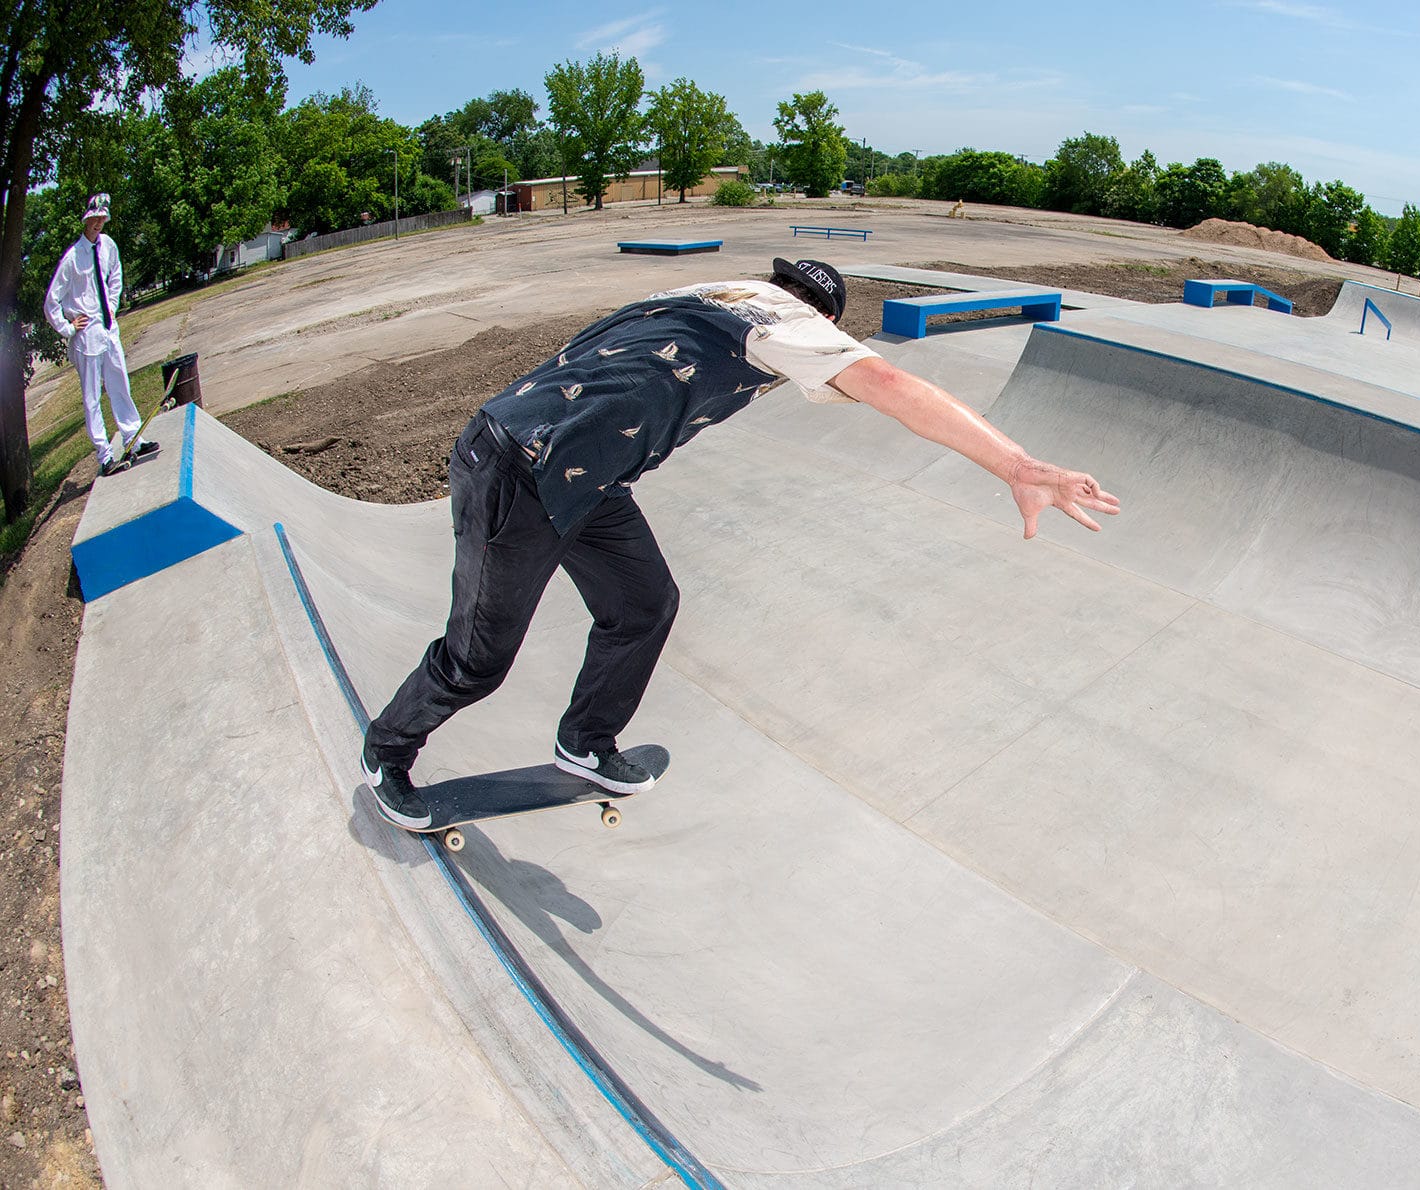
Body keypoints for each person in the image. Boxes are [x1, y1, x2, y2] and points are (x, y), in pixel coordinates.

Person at [361, 258, 1121, 828]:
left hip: (578, 473)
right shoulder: (791, 326)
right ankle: (388, 753)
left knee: (643, 605)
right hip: (519, 472)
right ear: (818, 319)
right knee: (479, 658)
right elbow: (890, 385)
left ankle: (586, 741)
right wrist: (1018, 466)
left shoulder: (703, 291)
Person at [44, 193, 157, 476]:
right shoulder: (72, 258)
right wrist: (67, 328)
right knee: (92, 396)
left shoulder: (108, 246)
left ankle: (132, 436)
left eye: (102, 219)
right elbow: (51, 301)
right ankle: (104, 455)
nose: (98, 223)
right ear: (85, 220)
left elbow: (115, 276)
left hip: (108, 329)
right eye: (93, 219)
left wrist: (113, 305)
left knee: (119, 381)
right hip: (87, 335)